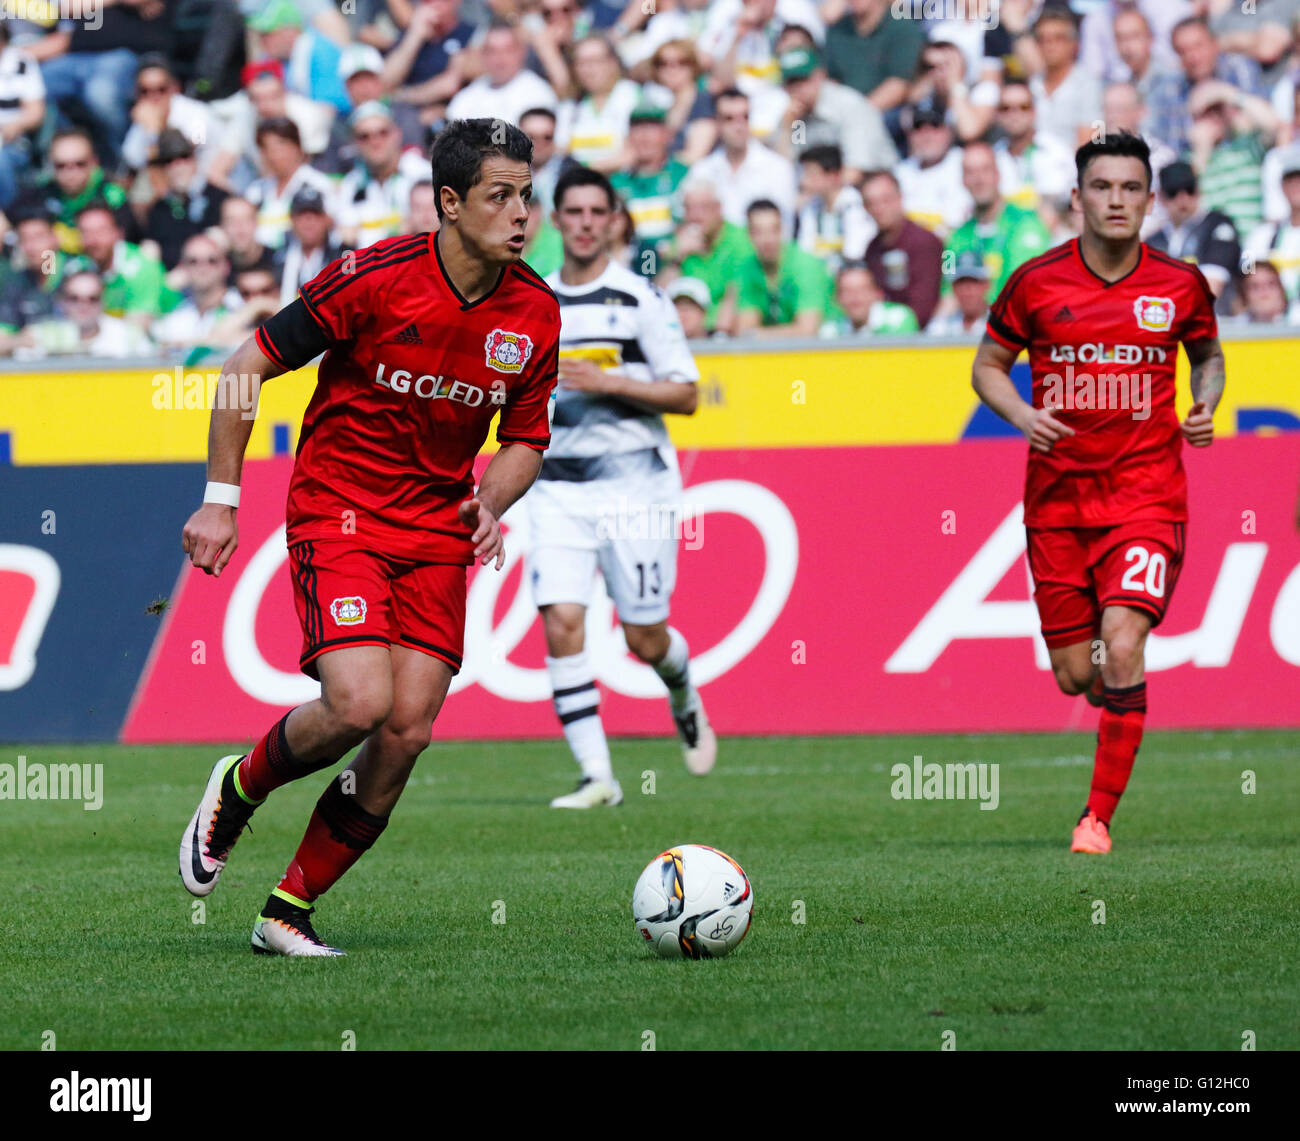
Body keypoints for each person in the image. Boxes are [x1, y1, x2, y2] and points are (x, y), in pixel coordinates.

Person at [178, 118, 561, 957]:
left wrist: (490, 500)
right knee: (360, 702)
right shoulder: (376, 276)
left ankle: (288, 907)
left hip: (437, 528)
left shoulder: (534, 310)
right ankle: (239, 786)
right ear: (450, 203)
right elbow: (248, 363)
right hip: (340, 508)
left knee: (407, 729)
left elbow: (525, 439)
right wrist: (220, 498)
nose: (521, 214)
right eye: (501, 196)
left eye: (528, 195)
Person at [971, 131, 1224, 854]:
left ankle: (1096, 818)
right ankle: (1114, 701)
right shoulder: (1035, 281)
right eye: (1103, 187)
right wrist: (1021, 414)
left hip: (1147, 496)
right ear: (1078, 197)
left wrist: (1204, 402)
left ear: (1148, 198)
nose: (1117, 200)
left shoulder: (1179, 284)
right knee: (1075, 673)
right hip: (1056, 505)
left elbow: (1207, 354)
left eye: (1131, 188)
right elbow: (987, 366)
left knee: (1123, 643)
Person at [526, 164, 712, 809]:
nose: (582, 224)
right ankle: (597, 776)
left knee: (644, 638)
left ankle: (682, 690)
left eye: (593, 213)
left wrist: (610, 382)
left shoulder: (639, 299)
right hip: (556, 489)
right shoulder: (534, 301)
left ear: (612, 221)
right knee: (562, 622)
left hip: (635, 490)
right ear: (556, 220)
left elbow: (686, 394)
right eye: (571, 212)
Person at [941, 141, 1051, 308]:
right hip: (970, 328)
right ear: (963, 180)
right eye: (970, 172)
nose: (978, 179)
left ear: (998, 174)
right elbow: (948, 293)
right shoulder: (954, 239)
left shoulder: (1027, 225)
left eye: (985, 170)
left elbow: (1023, 291)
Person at [687, 88, 797, 235]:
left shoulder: (777, 169)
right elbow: (694, 227)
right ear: (717, 124)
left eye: (745, 117)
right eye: (729, 119)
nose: (738, 126)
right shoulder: (702, 170)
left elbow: (784, 231)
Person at [1145, 161, 1241, 306]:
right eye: (1173, 192)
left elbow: (1211, 289)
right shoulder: (1154, 241)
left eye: (1189, 190)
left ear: (1198, 190)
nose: (1183, 199)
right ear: (1160, 196)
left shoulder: (1218, 226)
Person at [334, 102, 429, 249]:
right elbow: (344, 235)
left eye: (383, 133)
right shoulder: (351, 184)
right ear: (354, 143)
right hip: (366, 268)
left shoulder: (421, 174)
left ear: (398, 134)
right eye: (364, 136)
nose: (375, 142)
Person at [735, 197, 835, 337]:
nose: (767, 239)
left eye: (773, 230)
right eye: (758, 232)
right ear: (749, 234)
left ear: (782, 229)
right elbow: (745, 329)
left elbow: (808, 331)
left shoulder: (806, 265)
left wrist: (759, 335)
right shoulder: (748, 269)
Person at [610, 101, 689, 274]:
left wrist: (671, 250)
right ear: (628, 136)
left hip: (674, 269)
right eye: (637, 129)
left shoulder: (684, 176)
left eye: (652, 129)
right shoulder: (615, 184)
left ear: (668, 135)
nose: (644, 137)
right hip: (628, 270)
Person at [862, 168, 943, 327]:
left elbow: (924, 309)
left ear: (900, 198)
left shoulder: (925, 242)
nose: (878, 209)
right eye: (871, 203)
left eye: (885, 200)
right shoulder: (872, 249)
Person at [144, 130, 231, 271]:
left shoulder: (218, 197)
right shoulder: (158, 209)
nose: (177, 166)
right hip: (170, 285)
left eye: (184, 157)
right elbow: (151, 250)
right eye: (169, 161)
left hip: (210, 278)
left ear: (194, 160)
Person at [446, 21, 557, 126]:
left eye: (507, 50)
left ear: (522, 52)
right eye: (492, 51)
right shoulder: (468, 96)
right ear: (482, 55)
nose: (500, 59)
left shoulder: (538, 94)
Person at [152, 233, 243, 352]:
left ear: (226, 266)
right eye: (193, 261)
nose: (202, 268)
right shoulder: (176, 315)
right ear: (182, 267)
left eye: (212, 261)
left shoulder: (242, 304)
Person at [794, 145, 874, 275]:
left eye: (811, 174)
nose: (804, 181)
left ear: (833, 176)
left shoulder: (856, 205)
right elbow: (805, 250)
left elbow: (855, 252)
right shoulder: (810, 208)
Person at [273, 185, 350, 307]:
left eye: (315, 214)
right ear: (292, 220)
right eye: (302, 215)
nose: (309, 221)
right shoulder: (278, 259)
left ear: (326, 219)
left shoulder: (344, 256)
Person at [820, 261, 918, 337]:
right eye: (847, 291)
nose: (855, 298)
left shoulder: (898, 319)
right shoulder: (830, 330)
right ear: (837, 297)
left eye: (862, 290)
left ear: (878, 294)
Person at [925, 251, 989, 335]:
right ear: (953, 287)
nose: (967, 292)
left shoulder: (1001, 325)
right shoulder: (941, 326)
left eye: (974, 282)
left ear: (986, 285)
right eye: (961, 282)